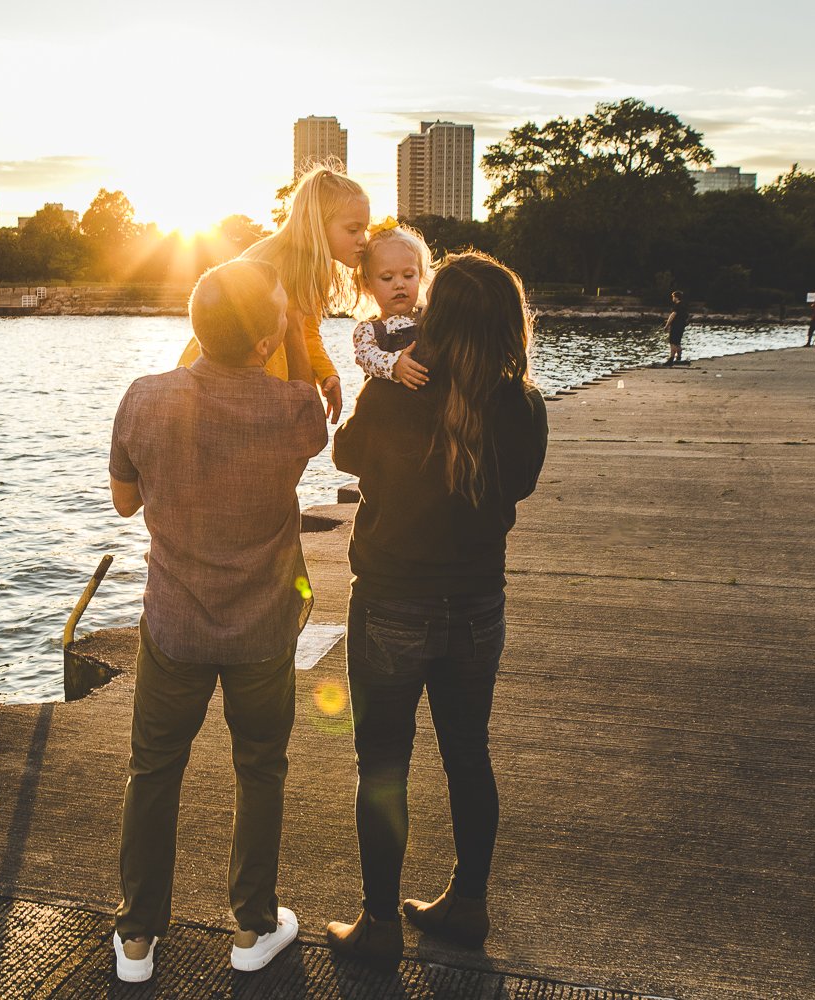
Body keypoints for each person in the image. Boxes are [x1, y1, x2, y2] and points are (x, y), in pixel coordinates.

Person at [325, 251, 549, 969]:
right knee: (468, 754)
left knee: (383, 764)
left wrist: (383, 375)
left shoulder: (398, 390)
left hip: (393, 599)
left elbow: (346, 455)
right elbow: (520, 485)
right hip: (479, 605)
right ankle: (467, 904)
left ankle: (380, 923)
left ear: (437, 319)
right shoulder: (523, 401)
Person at [108, 259, 328, 982]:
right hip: (264, 627)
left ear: (193, 324)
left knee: (153, 772)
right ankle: (252, 928)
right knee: (260, 770)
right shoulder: (297, 410)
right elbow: (308, 396)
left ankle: (138, 939)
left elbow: (124, 503)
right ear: (269, 339)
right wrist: (291, 327)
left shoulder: (143, 398)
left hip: (174, 624)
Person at [178, 164, 369, 423]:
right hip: (235, 372)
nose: (363, 240)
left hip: (224, 368)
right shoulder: (283, 264)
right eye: (353, 229)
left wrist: (327, 374)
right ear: (318, 225)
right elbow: (290, 333)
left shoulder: (308, 264)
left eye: (364, 230)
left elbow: (307, 331)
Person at [351, 217, 434, 389]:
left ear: (420, 276)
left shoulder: (430, 317)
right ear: (367, 284)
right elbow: (366, 357)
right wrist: (395, 364)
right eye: (387, 278)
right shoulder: (369, 330)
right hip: (388, 408)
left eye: (409, 275)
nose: (399, 284)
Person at [664, 290, 690, 365]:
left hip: (675, 326)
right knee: (678, 343)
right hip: (681, 327)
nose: (672, 298)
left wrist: (667, 325)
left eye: (673, 297)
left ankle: (671, 359)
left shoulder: (677, 306)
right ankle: (678, 359)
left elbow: (672, 315)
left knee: (672, 343)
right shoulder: (684, 306)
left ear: (676, 297)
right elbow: (686, 317)